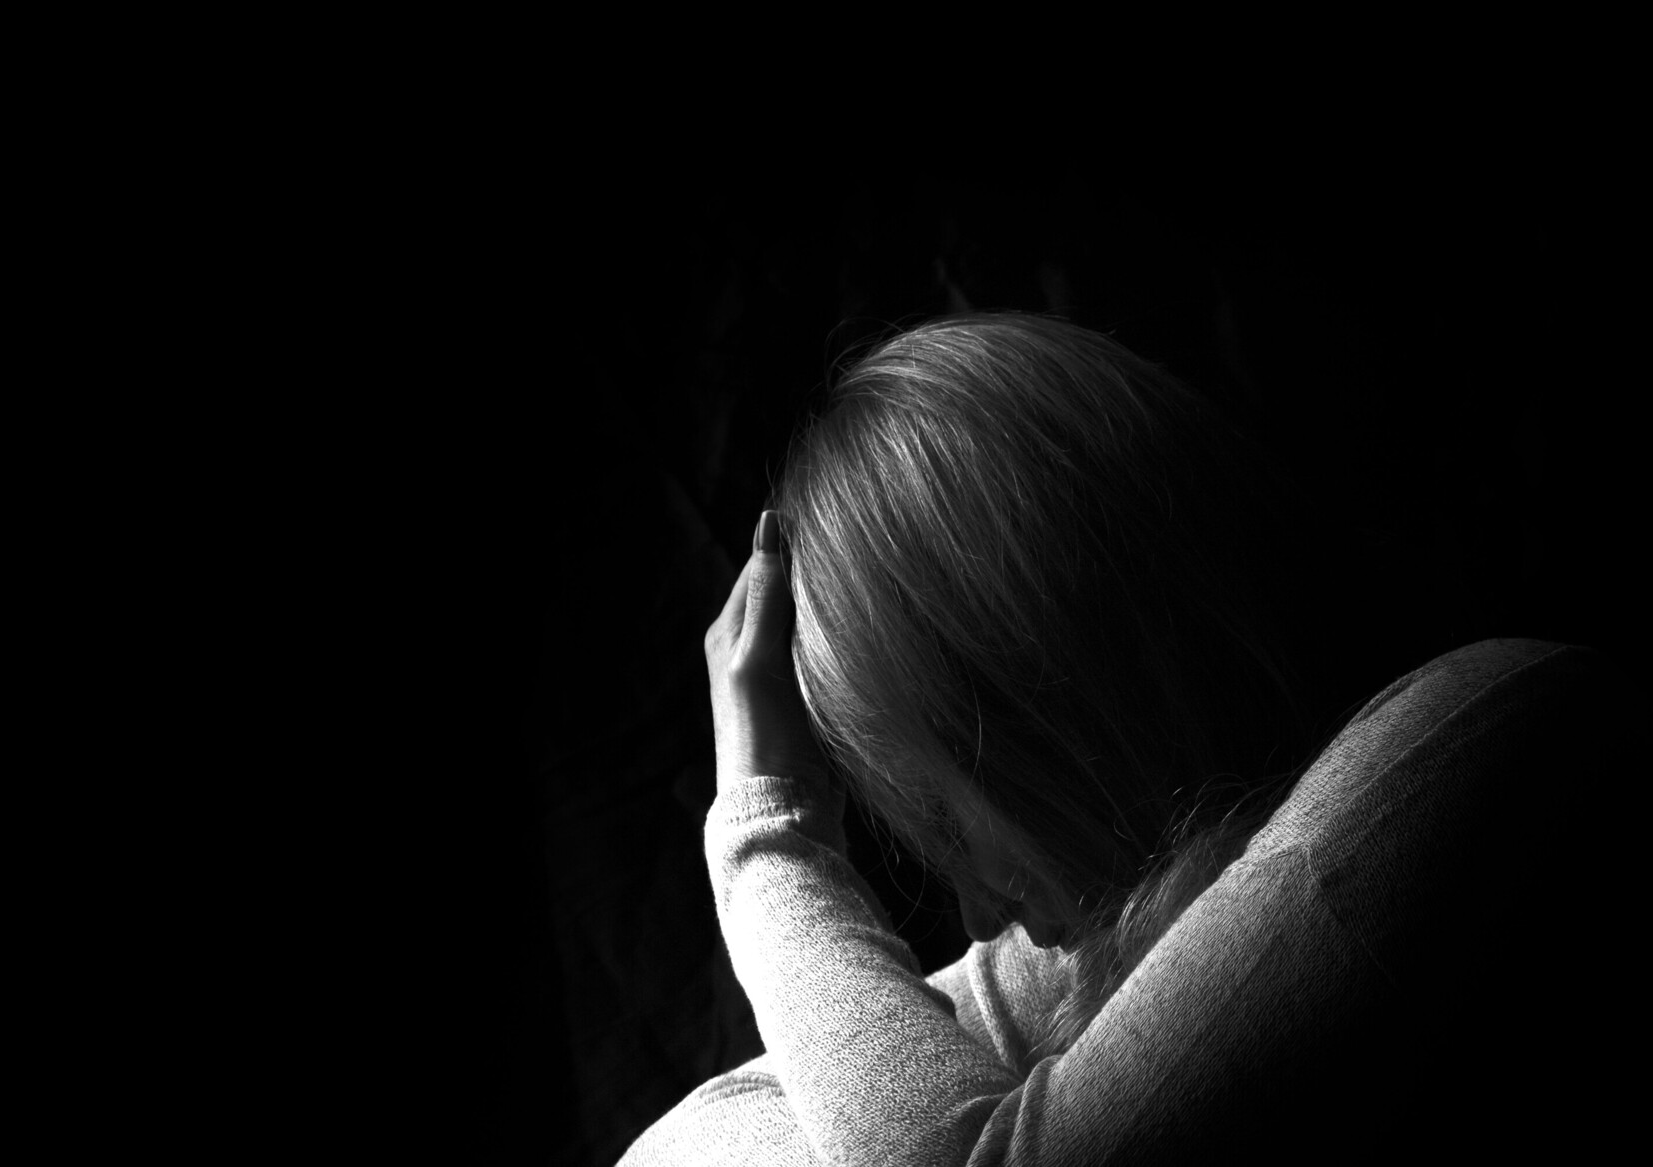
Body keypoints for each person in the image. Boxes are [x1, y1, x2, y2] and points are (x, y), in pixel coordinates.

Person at [619, 313, 1632, 1165]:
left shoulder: (1489, 737)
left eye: (945, 821)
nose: (976, 917)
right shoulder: (1131, 925)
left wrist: (768, 832)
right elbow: (719, 1126)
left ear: (1049, 694)